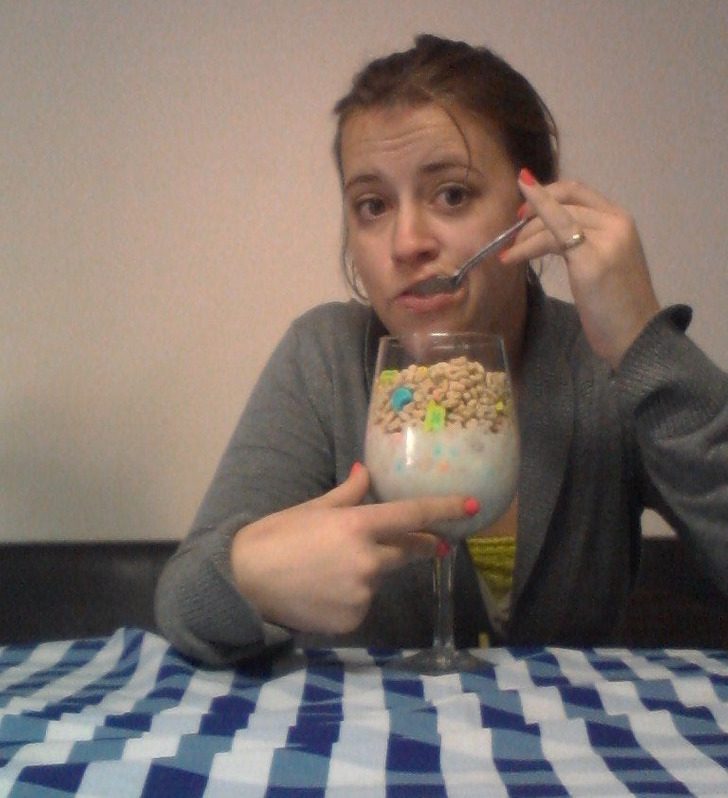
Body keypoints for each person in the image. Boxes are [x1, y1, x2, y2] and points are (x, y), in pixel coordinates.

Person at [155, 34, 728, 666]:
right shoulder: (325, 360)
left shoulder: (603, 365)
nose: (406, 243)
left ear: (532, 208)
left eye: (452, 194)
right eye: (372, 205)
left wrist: (645, 343)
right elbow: (184, 602)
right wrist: (251, 579)